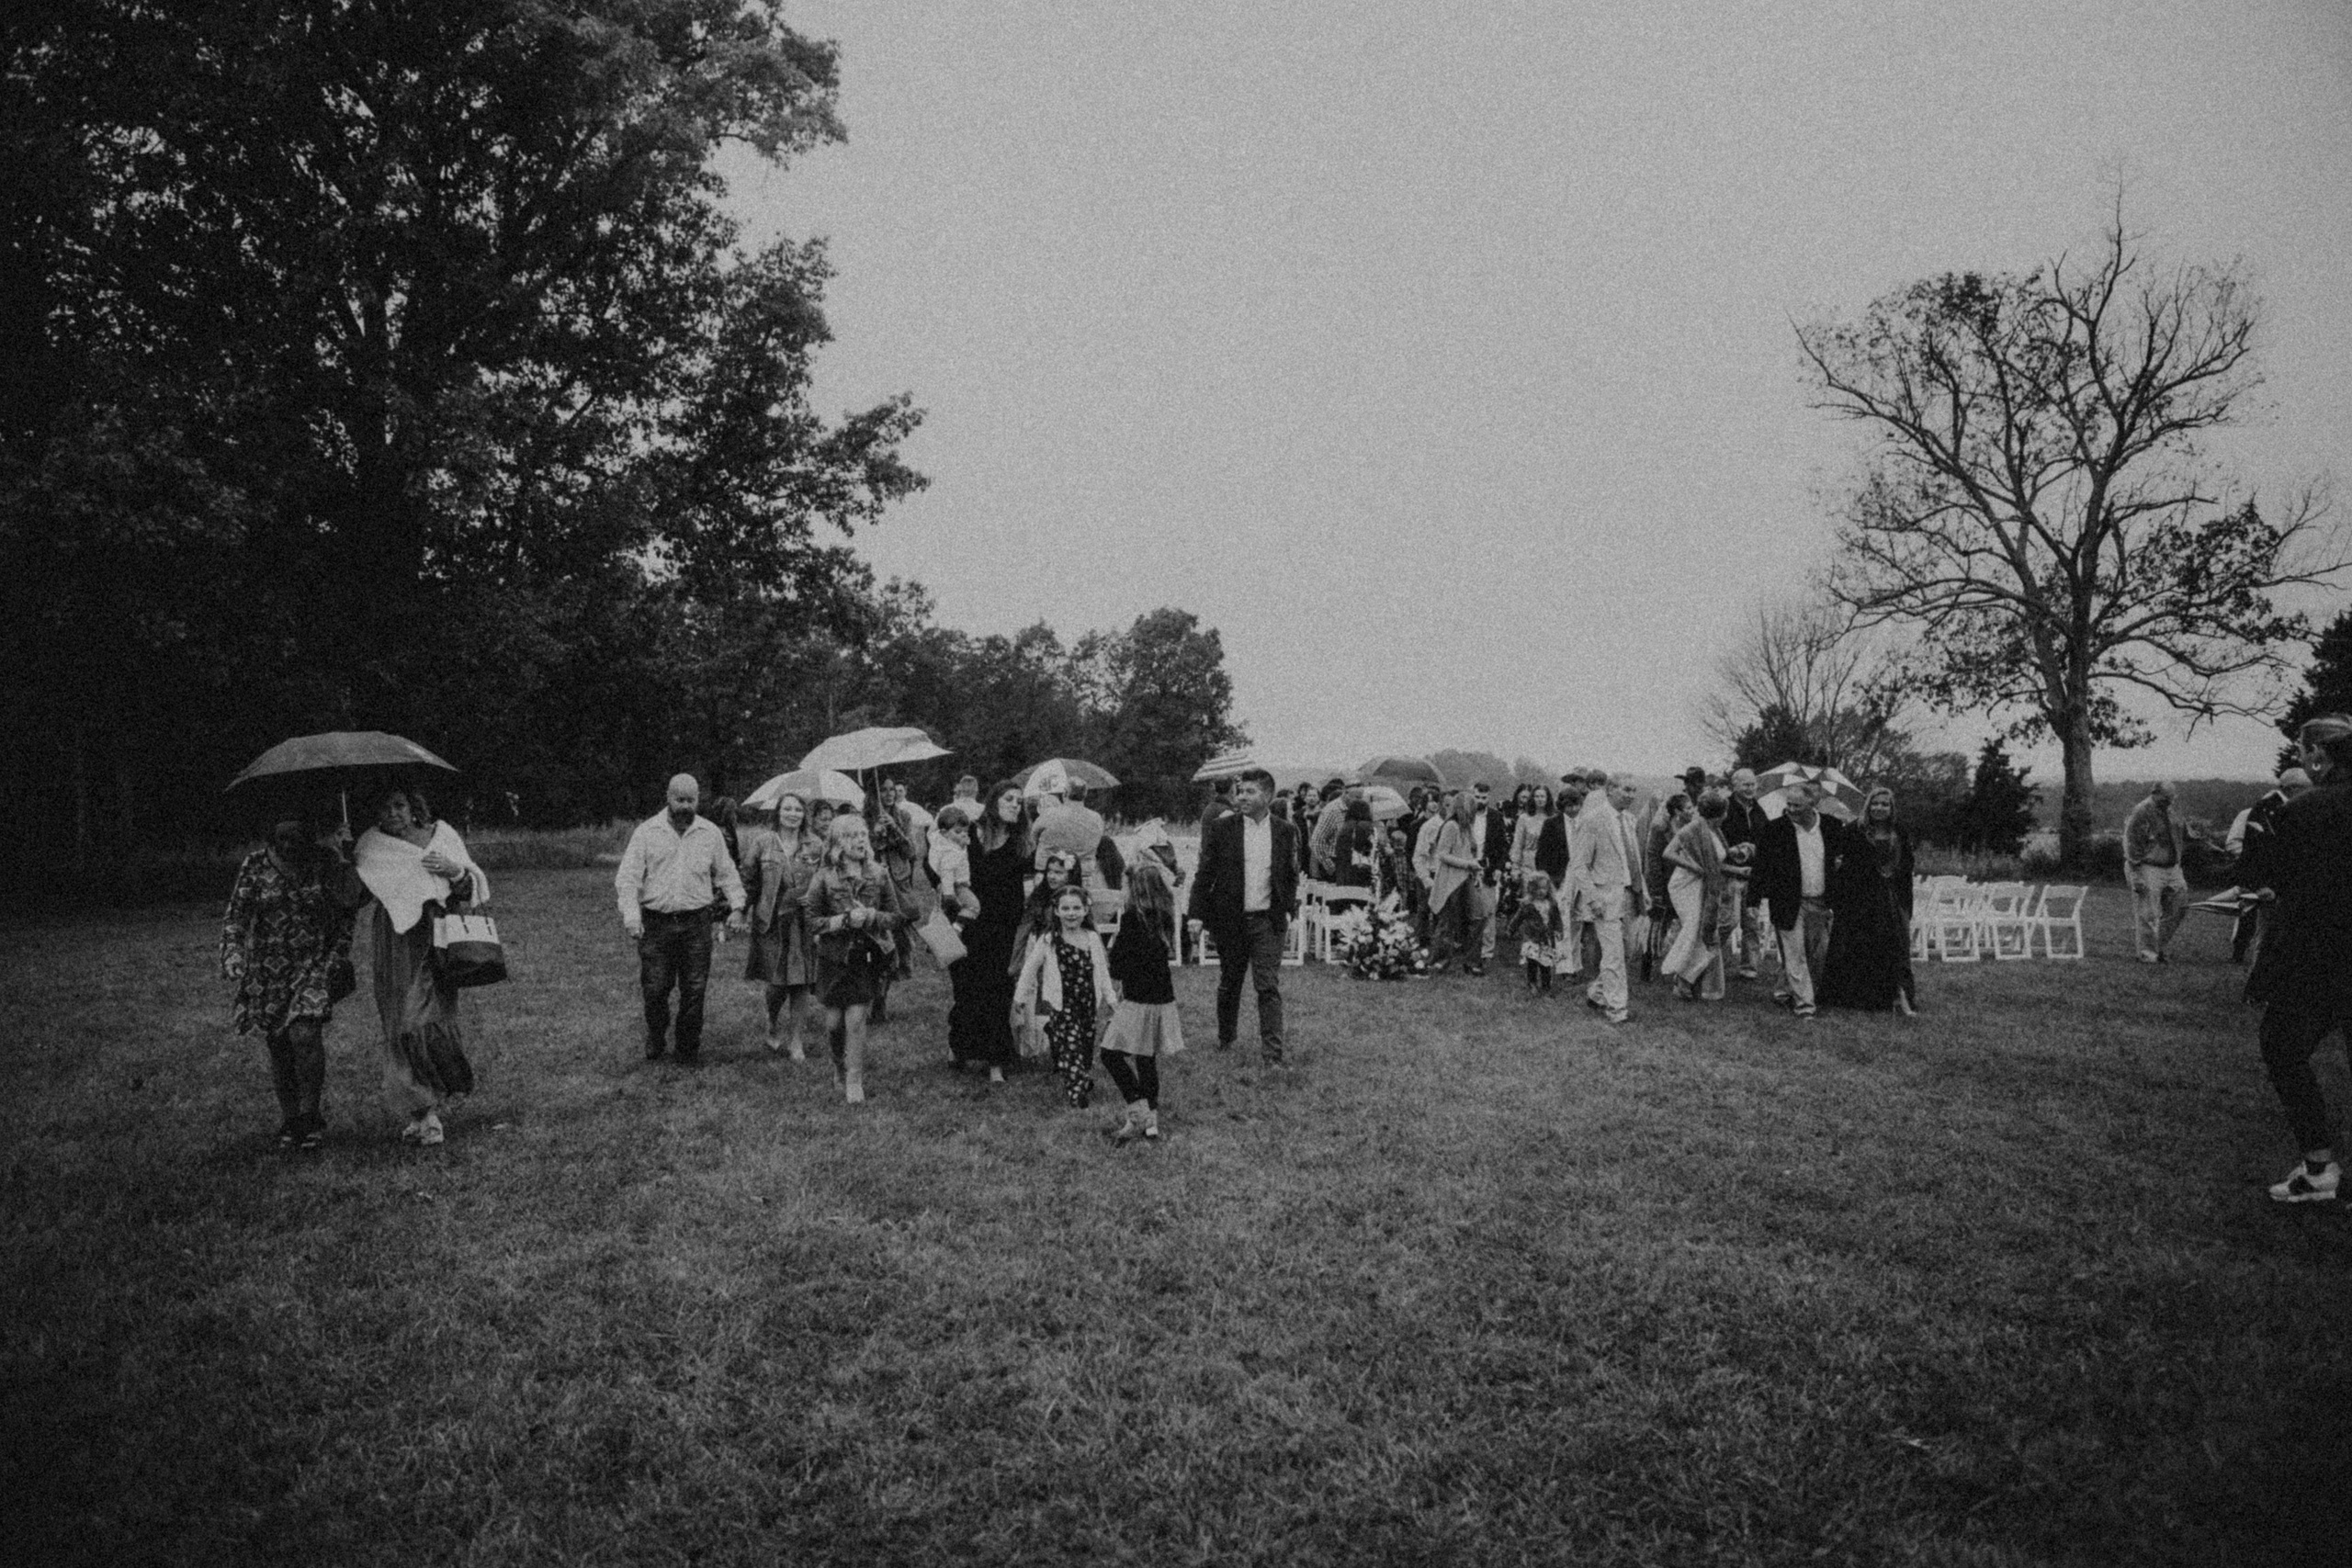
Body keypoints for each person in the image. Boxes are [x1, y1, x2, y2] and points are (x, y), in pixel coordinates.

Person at [2246, 714, 2352, 1202]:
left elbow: (2288, 894)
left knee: (2283, 1047)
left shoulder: (2302, 814)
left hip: (2320, 961)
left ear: (2317, 757)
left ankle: (2318, 1166)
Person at [355, 788, 490, 1145]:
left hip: (439, 935)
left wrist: (455, 871)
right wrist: (343, 856)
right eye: (384, 807)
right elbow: (354, 896)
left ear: (414, 808)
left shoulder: (442, 834)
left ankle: (433, 1096)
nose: (393, 813)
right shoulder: (371, 845)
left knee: (429, 1018)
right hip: (396, 940)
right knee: (400, 1021)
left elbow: (468, 887)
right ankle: (422, 1112)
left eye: (399, 805)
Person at [220, 812, 362, 1149]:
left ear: (309, 836)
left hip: (313, 962)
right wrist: (233, 954)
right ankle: (291, 1119)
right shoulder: (255, 865)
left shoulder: (327, 861)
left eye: (296, 837)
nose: (288, 844)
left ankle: (310, 1116)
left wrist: (348, 858)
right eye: (281, 837)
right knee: (280, 1043)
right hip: (268, 968)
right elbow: (236, 915)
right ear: (271, 836)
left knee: (305, 1033)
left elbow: (350, 906)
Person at [615, 774, 746, 1064]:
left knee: (695, 988)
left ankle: (687, 1048)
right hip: (656, 923)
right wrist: (632, 916)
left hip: (696, 923)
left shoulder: (710, 833)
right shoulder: (647, 832)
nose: (686, 806)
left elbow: (727, 872)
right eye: (680, 800)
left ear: (698, 799)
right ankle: (657, 1033)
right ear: (668, 797)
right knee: (655, 987)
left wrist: (737, 906)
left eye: (691, 800)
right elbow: (628, 879)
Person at [1185, 767, 1301, 1064]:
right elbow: (1204, 874)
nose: (1242, 797)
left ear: (1268, 795)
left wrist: (1289, 909)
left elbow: (1289, 874)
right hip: (1231, 919)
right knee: (1231, 981)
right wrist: (1195, 914)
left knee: (1267, 986)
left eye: (1250, 791)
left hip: (1267, 921)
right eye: (1240, 791)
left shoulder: (1286, 831)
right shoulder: (1223, 829)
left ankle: (1272, 1054)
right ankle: (1227, 1038)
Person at [802, 813, 905, 1103]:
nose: (861, 840)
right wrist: (843, 921)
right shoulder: (823, 877)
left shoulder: (879, 873)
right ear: (836, 843)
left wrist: (872, 916)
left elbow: (897, 917)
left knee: (857, 1018)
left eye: (863, 834)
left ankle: (854, 1079)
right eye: (852, 836)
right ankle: (838, 1064)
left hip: (865, 958)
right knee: (834, 1024)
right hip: (833, 959)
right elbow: (811, 921)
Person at [951, 781, 1031, 1081]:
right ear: (994, 800)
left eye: (1020, 802)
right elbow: (936, 864)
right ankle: (959, 1048)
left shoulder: (1021, 841)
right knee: (966, 990)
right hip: (970, 922)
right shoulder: (970, 833)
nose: (1015, 805)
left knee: (998, 991)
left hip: (1004, 928)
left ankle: (996, 1061)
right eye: (1009, 799)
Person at [1101, 859, 1183, 1140]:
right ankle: (1152, 1122)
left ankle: (1138, 1112)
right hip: (1162, 999)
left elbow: (1118, 967)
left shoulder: (1133, 920)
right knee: (1146, 1059)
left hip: (1138, 1000)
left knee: (1110, 1054)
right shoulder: (1164, 918)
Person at [1815, 786, 1917, 1014]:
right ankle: (1856, 998)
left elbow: (1906, 870)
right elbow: (1840, 865)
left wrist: (1905, 904)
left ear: (1891, 808)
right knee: (1857, 947)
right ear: (1868, 805)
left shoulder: (1899, 832)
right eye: (1875, 803)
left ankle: (1895, 998)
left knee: (1893, 948)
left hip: (1890, 900)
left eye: (1884, 804)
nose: (1879, 808)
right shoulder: (1854, 831)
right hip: (1859, 899)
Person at [1749, 780, 1846, 1020]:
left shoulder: (1833, 827)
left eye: (1797, 806)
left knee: (1817, 954)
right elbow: (1761, 867)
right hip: (1788, 902)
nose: (1791, 810)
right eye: (1789, 804)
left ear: (1812, 804)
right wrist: (1753, 900)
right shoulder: (1776, 829)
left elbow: (1843, 862)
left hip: (1821, 901)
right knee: (1795, 954)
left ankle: (1784, 991)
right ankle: (1805, 1006)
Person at [1016, 885, 1116, 1108]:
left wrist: (1111, 1000)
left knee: (1085, 1046)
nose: (1071, 913)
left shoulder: (1091, 938)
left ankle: (1081, 1075)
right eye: (1066, 908)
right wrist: (1020, 997)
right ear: (1057, 911)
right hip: (1062, 1004)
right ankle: (1076, 1093)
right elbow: (1030, 969)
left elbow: (1102, 972)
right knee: (1071, 1047)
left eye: (1076, 908)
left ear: (1085, 911)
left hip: (1088, 1002)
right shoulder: (1049, 939)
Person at [744, 793, 821, 1058]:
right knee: (776, 982)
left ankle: (796, 1040)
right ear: (778, 812)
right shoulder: (763, 843)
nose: (793, 814)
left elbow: (824, 881)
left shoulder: (815, 845)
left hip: (803, 922)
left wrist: (814, 901)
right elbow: (749, 881)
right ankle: (772, 1022)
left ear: (804, 815)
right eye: (787, 808)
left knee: (801, 981)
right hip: (771, 921)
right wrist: (739, 911)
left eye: (798, 809)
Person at [1567, 773, 1642, 1023]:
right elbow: (1579, 866)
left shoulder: (1630, 820)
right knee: (1613, 954)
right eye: (1626, 790)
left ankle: (1598, 993)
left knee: (1629, 950)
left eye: (1634, 790)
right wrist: (1593, 898)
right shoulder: (1593, 820)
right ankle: (1616, 1008)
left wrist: (1645, 891)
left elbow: (1633, 860)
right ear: (1610, 790)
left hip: (1631, 894)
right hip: (1604, 897)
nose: (1631, 795)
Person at [2229, 768, 2310, 965]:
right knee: (2266, 938)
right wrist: (2260, 885)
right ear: (2293, 788)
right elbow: (2255, 852)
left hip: (2292, 884)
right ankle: (2257, 989)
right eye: (2307, 788)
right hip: (2272, 886)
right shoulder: (2266, 810)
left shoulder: (2298, 808)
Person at [1661, 789, 1735, 1001]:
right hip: (1685, 884)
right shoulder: (1694, 828)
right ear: (1721, 814)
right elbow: (1668, 853)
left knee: (1710, 932)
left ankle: (1688, 979)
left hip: (1705, 885)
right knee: (1696, 929)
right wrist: (1694, 867)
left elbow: (1717, 863)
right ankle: (1681, 976)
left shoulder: (1715, 831)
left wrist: (1739, 869)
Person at [2124, 781, 2189, 964]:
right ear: (2155, 794)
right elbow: (2131, 843)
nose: (2169, 802)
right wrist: (2136, 874)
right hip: (2148, 866)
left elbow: (2184, 831)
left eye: (2172, 798)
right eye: (2165, 798)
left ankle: (2158, 945)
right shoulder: (2141, 811)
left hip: (2172, 867)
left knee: (2180, 905)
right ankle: (2147, 954)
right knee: (2148, 912)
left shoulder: (2173, 810)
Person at [1430, 794, 1490, 976]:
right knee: (1447, 922)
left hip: (1468, 879)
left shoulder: (1467, 828)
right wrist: (1467, 864)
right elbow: (1442, 854)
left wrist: (1475, 867)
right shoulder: (1451, 826)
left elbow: (1469, 853)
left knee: (1479, 917)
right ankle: (1440, 961)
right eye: (1471, 808)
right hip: (1450, 880)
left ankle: (1472, 961)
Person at [1720, 770, 1771, 979]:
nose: (1750, 789)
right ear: (1735, 786)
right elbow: (1717, 838)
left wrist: (1755, 850)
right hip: (1730, 873)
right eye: (1745, 785)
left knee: (1751, 922)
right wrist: (1735, 851)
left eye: (1753, 785)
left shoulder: (1759, 811)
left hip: (1753, 875)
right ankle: (1712, 961)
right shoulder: (1725, 808)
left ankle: (1749, 967)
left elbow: (1767, 839)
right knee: (1727, 922)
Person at [1507, 869, 1565, 994]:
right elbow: (1518, 918)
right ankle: (1532, 983)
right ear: (1531, 889)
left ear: (1548, 889)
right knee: (1532, 962)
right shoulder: (1527, 904)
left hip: (1546, 939)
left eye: (1544, 888)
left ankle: (1546, 986)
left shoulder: (1551, 904)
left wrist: (1559, 930)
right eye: (1537, 888)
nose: (1541, 891)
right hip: (1531, 938)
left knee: (1546, 964)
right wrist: (1511, 929)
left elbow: (1556, 919)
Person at [1331, 797, 1378, 888]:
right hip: (1361, 873)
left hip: (1344, 874)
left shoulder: (1344, 827)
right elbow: (1368, 850)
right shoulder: (1366, 826)